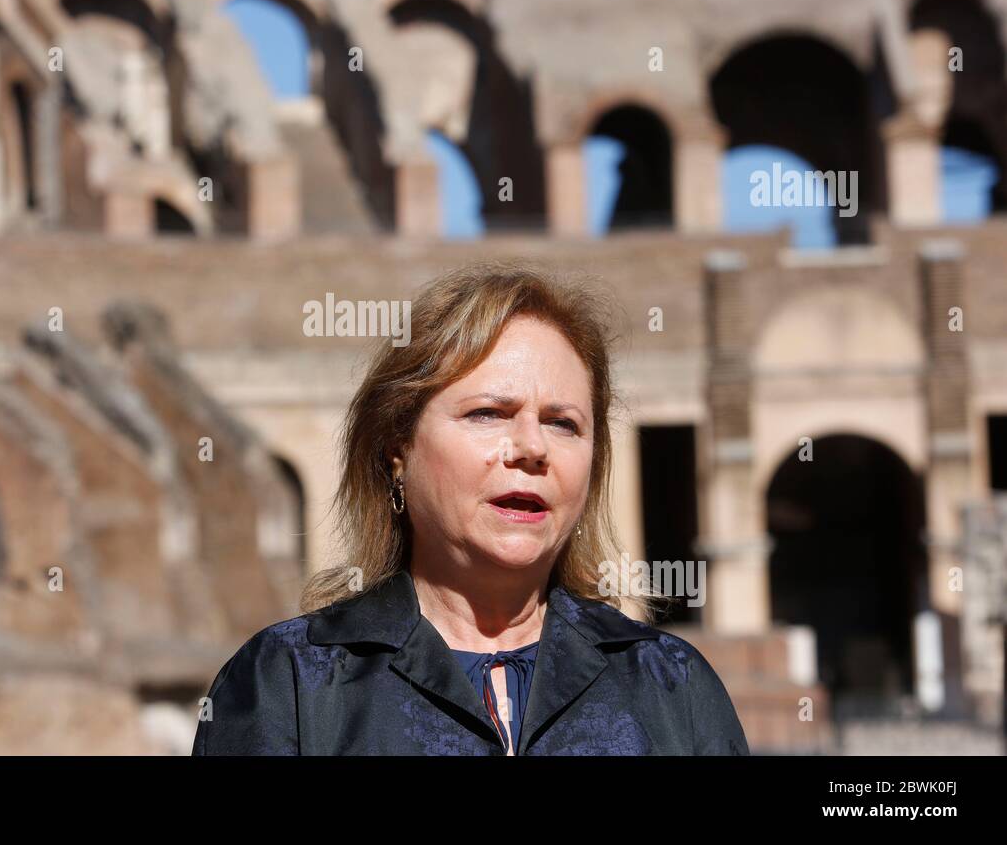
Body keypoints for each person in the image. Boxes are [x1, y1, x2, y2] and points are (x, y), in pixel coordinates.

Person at [192, 262, 750, 755]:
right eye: (488, 413)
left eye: (563, 423)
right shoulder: (290, 683)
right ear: (397, 451)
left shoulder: (672, 684)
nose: (532, 448)